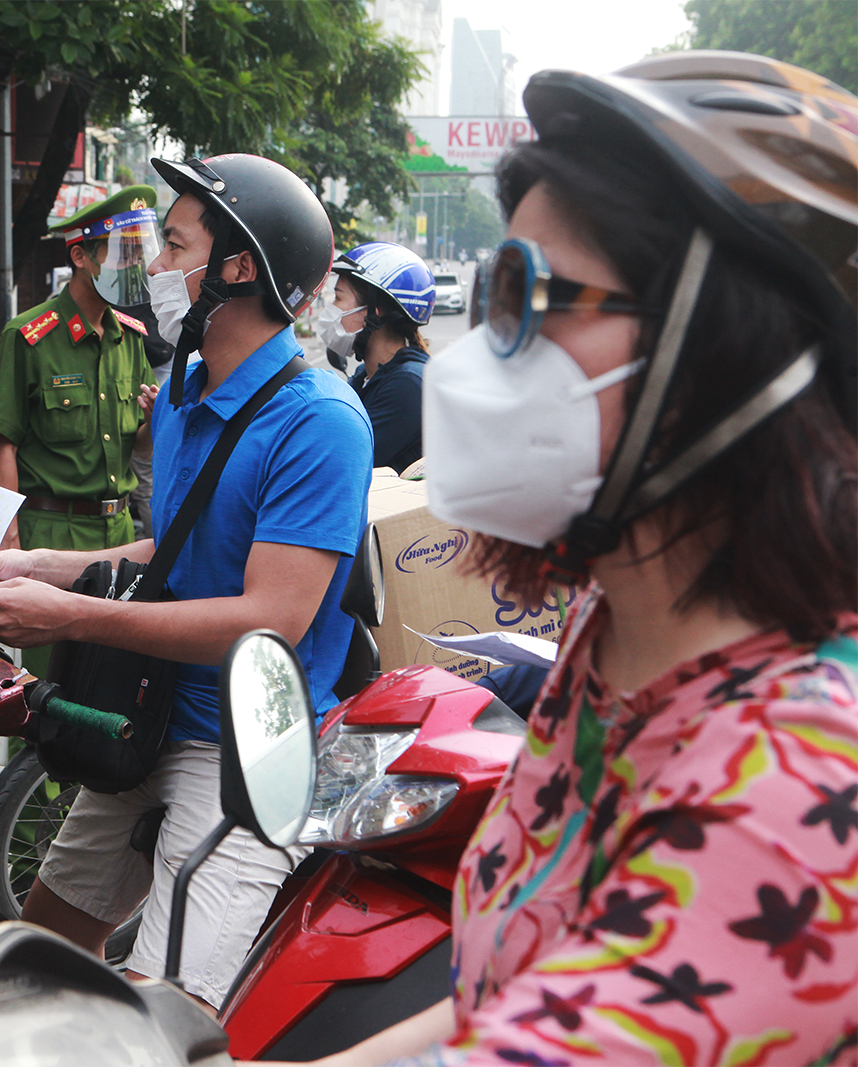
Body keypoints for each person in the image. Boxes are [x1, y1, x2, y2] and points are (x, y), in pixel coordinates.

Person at [286, 52, 857, 1066]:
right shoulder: (621, 635)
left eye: (529, 300)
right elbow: (504, 995)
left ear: (725, 361)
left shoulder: (797, 790)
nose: (475, 354)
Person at [0, 153, 373, 1009]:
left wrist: (70, 612)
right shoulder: (189, 388)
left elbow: (270, 620)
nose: (150, 265)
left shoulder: (321, 421)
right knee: (27, 970)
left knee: (162, 1023)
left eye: (170, 242)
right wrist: (38, 564)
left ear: (235, 269)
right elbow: (176, 552)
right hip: (150, 719)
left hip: (239, 752)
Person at [0, 185, 161, 676]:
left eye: (137, 252)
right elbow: (3, 444)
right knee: (49, 684)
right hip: (52, 532)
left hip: (121, 532)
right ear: (82, 255)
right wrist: (9, 541)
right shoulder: (29, 337)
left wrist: (152, 421)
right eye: (123, 253)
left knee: (113, 678)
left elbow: (138, 449)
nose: (135, 265)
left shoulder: (131, 338)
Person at [318, 241, 434, 473]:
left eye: (339, 299)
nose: (332, 308)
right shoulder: (366, 375)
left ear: (375, 310)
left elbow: (343, 460)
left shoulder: (407, 385)